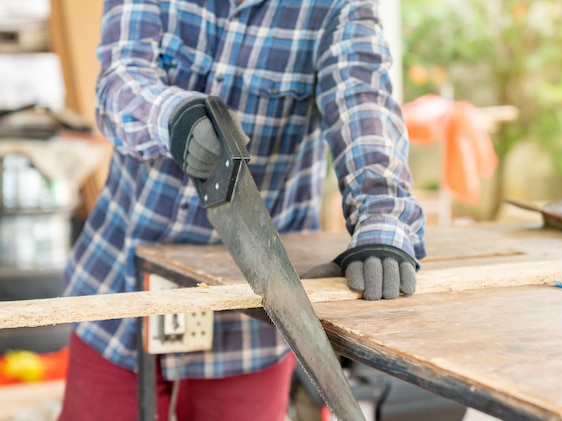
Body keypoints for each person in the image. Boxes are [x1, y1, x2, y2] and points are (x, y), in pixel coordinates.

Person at [58, 1, 426, 420]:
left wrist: (382, 221)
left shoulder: (336, 8)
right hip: (120, 289)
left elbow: (364, 109)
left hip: (250, 318)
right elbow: (118, 80)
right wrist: (172, 115)